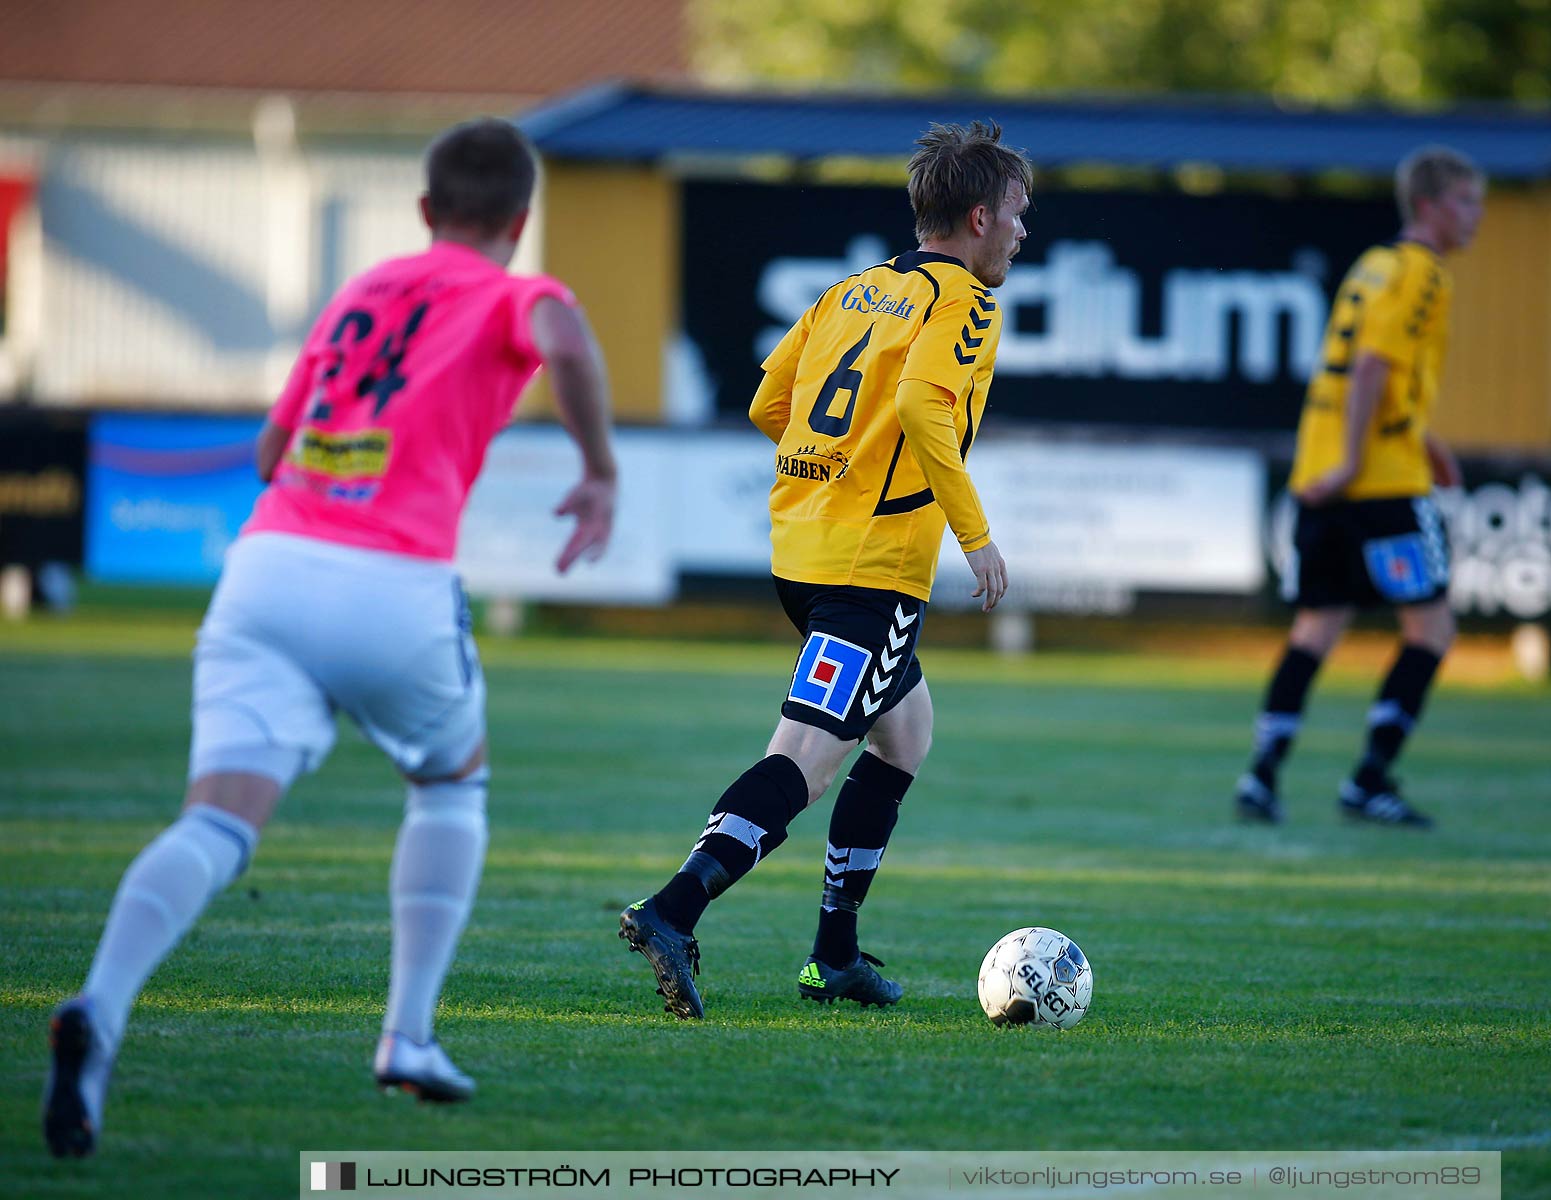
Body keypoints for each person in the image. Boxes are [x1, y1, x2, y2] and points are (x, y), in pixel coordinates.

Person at [43, 117, 619, 1157]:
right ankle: (405, 1036)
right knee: (452, 783)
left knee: (215, 825)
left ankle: (103, 1005)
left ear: (422, 211)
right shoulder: (514, 294)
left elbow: (270, 449)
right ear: (522, 222)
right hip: (392, 575)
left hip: (266, 572)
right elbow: (564, 340)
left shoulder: (359, 294)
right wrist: (601, 470)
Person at [617, 120, 1028, 1018]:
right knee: (805, 757)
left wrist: (833, 472)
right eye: (1017, 215)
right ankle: (674, 909)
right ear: (977, 215)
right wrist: (974, 533)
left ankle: (834, 957)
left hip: (803, 552)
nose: (1022, 234)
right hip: (874, 569)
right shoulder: (963, 301)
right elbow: (923, 405)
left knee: (904, 732)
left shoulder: (851, 290)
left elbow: (772, 399)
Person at [1233, 146, 1485, 830]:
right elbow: (1373, 366)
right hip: (1376, 483)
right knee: (1431, 628)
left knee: (1317, 626)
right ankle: (1370, 779)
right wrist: (1354, 463)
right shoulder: (1423, 273)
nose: (1476, 215)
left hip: (1324, 474)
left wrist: (1423, 443)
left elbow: (1362, 370)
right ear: (1429, 205)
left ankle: (1262, 773)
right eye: (1466, 201)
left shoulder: (1372, 264)